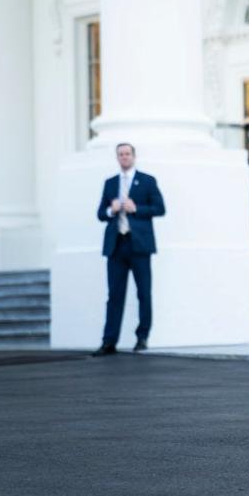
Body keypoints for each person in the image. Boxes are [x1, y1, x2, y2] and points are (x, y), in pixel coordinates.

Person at [92, 143, 165, 356]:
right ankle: (109, 341)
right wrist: (110, 209)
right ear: (117, 158)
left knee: (143, 293)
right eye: (120, 154)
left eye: (127, 154)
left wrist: (137, 209)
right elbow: (99, 214)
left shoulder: (147, 181)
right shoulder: (110, 183)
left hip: (139, 245)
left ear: (134, 156)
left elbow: (160, 208)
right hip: (116, 246)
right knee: (114, 295)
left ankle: (142, 337)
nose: (124, 157)